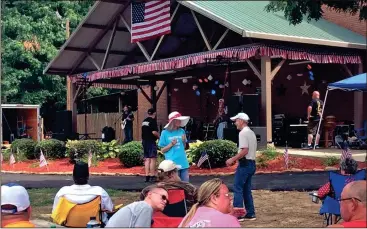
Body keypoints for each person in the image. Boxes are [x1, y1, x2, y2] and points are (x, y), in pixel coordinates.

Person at [226, 112, 257, 221]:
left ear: (241, 121)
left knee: (238, 188)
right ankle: (250, 212)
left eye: (236, 121)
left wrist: (232, 159)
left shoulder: (243, 133)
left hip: (245, 164)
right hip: (251, 163)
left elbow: (245, 150)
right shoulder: (251, 133)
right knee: (246, 189)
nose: (235, 123)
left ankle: (238, 214)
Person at [158, 111, 190, 182]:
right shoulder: (165, 133)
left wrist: (184, 141)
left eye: (180, 120)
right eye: (178, 120)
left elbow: (184, 147)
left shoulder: (182, 131)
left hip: (183, 162)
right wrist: (171, 144)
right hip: (172, 164)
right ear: (173, 121)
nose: (180, 121)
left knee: (186, 185)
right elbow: (162, 150)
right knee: (175, 185)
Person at [142, 108, 160, 183]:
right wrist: (160, 137)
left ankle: (147, 176)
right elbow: (154, 132)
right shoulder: (153, 121)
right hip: (151, 141)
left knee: (147, 159)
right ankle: (152, 176)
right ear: (154, 113)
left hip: (144, 141)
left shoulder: (144, 121)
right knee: (153, 159)